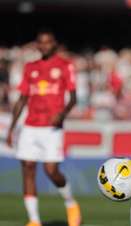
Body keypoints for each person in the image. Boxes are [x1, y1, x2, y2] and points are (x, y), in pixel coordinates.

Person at [6, 30, 81, 226]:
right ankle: (34, 220)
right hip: (30, 125)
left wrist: (62, 115)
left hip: (51, 127)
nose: (45, 45)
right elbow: (22, 98)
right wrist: (12, 128)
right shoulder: (30, 67)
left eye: (48, 42)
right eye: (41, 42)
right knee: (28, 169)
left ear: (54, 44)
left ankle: (70, 203)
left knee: (51, 171)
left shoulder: (65, 66)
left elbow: (73, 98)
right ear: (37, 45)